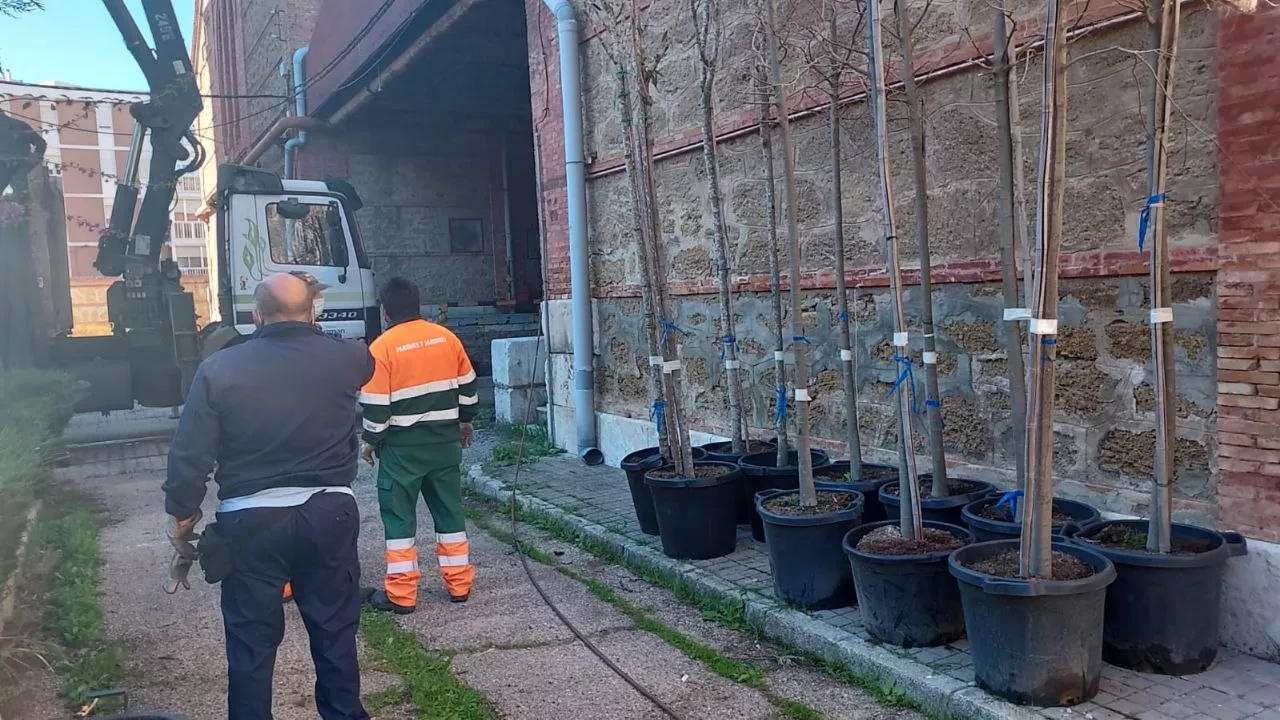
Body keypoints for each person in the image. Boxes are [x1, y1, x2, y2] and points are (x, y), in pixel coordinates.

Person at [164, 272, 374, 720]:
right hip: (328, 513)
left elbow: (190, 453)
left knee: (250, 645)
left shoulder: (219, 370)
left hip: (250, 523)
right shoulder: (347, 358)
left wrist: (184, 513)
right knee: (334, 632)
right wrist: (310, 318)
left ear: (256, 316)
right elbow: (355, 358)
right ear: (312, 312)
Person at [360, 276, 478, 613]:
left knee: (399, 519)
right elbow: (468, 388)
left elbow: (377, 407)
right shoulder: (446, 338)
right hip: (444, 445)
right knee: (450, 511)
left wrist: (370, 441)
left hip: (402, 451)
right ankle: (459, 585)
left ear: (384, 310)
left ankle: (401, 595)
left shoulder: (381, 348)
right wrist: (465, 421)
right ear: (418, 305)